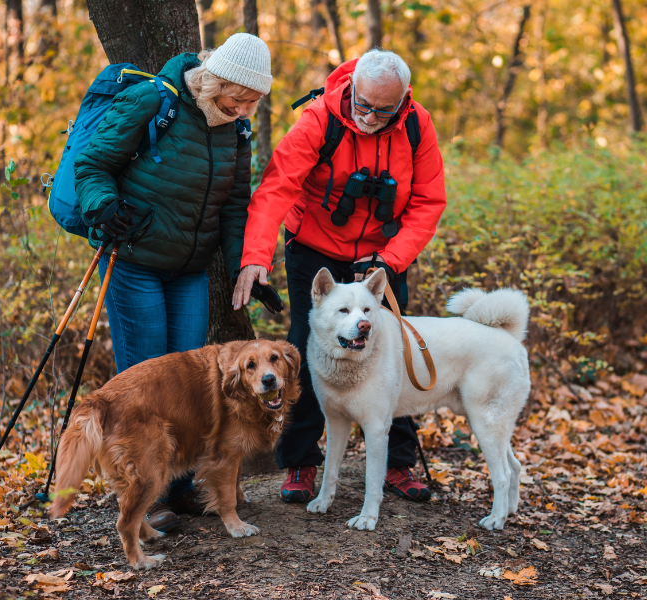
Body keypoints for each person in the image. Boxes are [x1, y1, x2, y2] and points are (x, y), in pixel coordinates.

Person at [74, 33, 272, 532]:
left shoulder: (237, 131)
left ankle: (180, 487)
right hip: (133, 261)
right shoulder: (154, 100)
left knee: (189, 386)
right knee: (145, 383)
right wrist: (103, 206)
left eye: (254, 101)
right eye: (240, 97)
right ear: (215, 82)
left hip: (190, 271)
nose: (246, 109)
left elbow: (234, 207)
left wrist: (248, 265)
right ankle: (143, 493)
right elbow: (91, 163)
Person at [233, 49, 446, 504]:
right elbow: (274, 191)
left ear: (404, 100)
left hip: (382, 259)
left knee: (392, 346)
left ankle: (397, 464)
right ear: (353, 90)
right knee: (305, 348)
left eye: (382, 110)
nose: (369, 116)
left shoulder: (415, 124)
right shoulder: (319, 118)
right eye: (363, 105)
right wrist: (256, 256)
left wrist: (391, 260)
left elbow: (429, 202)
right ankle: (301, 463)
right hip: (316, 251)